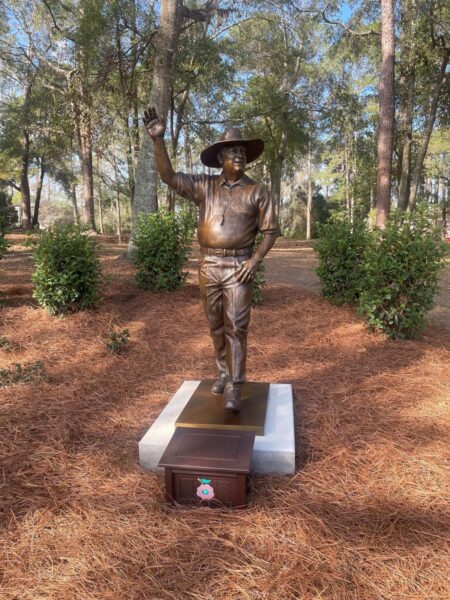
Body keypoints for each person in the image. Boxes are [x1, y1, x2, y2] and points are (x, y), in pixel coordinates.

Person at [143, 107, 280, 413]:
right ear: (220, 159)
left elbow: (270, 232)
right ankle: (223, 371)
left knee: (237, 326)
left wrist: (256, 260)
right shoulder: (203, 187)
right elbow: (168, 176)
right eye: (233, 151)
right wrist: (158, 141)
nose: (239, 155)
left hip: (239, 266)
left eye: (243, 151)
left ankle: (235, 385)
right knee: (215, 324)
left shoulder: (259, 192)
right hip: (208, 265)